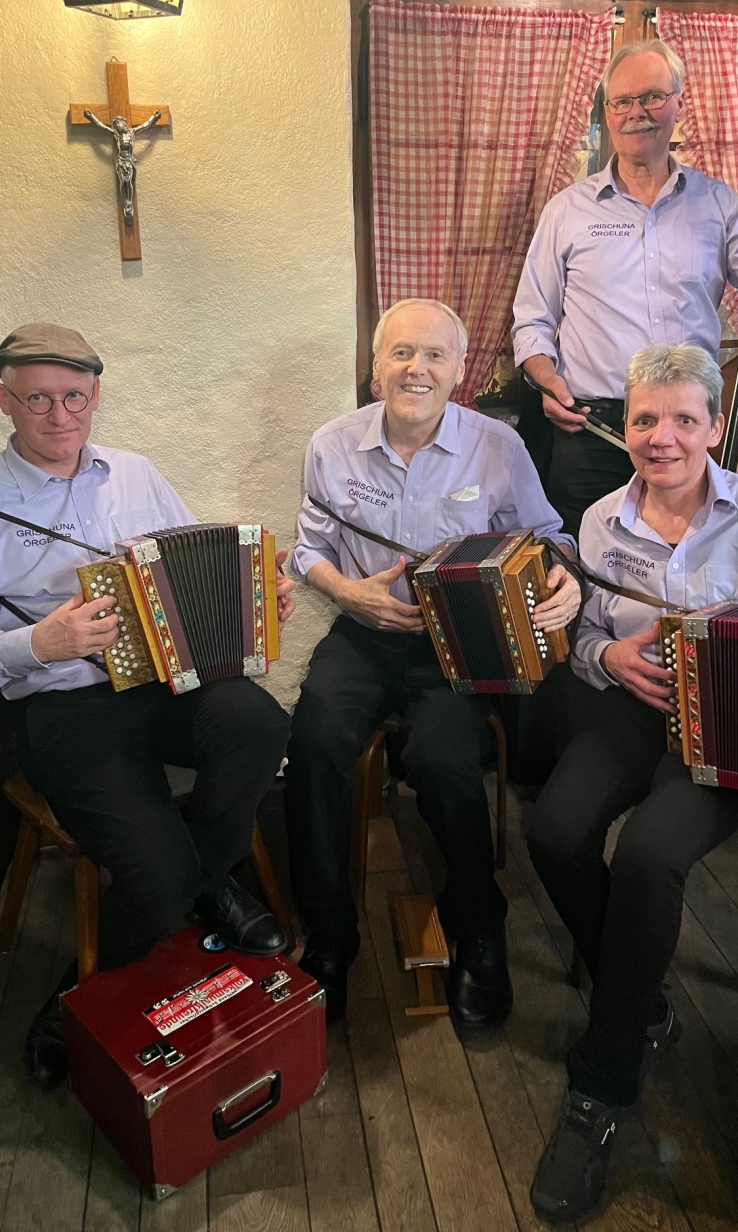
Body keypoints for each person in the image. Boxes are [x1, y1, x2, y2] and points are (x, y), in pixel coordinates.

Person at [0, 323, 295, 1088]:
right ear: (3, 400)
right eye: (37, 399)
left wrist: (258, 598)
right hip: (64, 709)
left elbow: (190, 570)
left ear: (95, 394)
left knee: (261, 724)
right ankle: (73, 1000)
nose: (60, 415)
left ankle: (206, 877)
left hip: (161, 681)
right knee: (155, 878)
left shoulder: (135, 473)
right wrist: (34, 644)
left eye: (74, 396)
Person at [524, 343, 738, 1224]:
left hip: (733, 724)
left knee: (649, 854)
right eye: (645, 420)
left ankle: (602, 1081)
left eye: (683, 419)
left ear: (715, 426)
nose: (663, 437)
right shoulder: (596, 519)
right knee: (553, 831)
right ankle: (643, 995)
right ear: (625, 427)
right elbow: (579, 639)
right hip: (635, 708)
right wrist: (608, 656)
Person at [285, 298, 583, 1032]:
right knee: (312, 743)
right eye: (400, 353)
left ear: (459, 372)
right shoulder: (331, 444)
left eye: (434, 356)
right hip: (363, 631)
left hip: (459, 641)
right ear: (375, 366)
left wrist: (564, 575)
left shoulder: (499, 446)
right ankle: (329, 933)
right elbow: (308, 549)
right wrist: (346, 591)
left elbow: (549, 535)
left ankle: (480, 924)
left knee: (446, 760)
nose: (416, 368)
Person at [512, 37, 738, 539]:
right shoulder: (567, 211)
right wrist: (547, 381)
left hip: (685, 429)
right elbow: (531, 321)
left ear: (678, 103)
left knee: (688, 560)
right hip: (594, 429)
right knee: (585, 564)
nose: (637, 113)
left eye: (653, 97)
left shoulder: (718, 204)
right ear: (607, 111)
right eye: (622, 101)